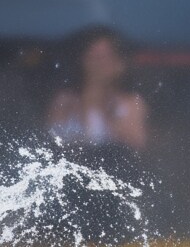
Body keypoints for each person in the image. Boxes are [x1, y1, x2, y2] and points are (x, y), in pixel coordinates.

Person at [47, 25, 149, 153]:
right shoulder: (65, 100)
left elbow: (136, 146)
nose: (98, 65)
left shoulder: (132, 103)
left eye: (105, 58)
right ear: (82, 61)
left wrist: (108, 110)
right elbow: (53, 142)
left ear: (119, 64)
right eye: (93, 57)